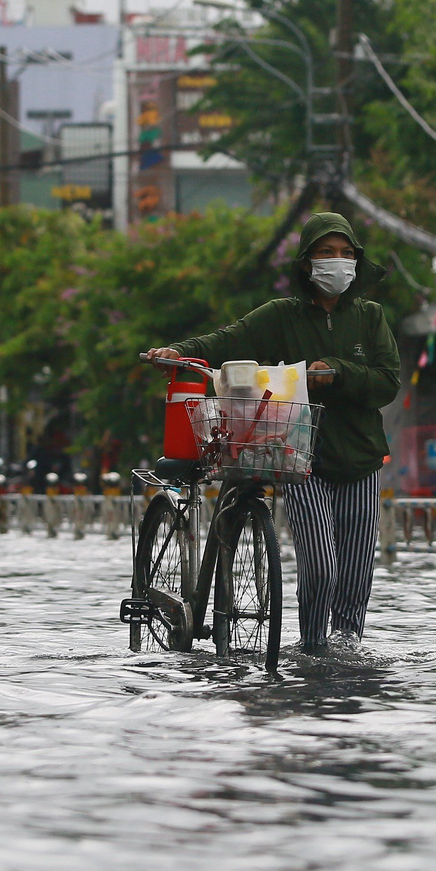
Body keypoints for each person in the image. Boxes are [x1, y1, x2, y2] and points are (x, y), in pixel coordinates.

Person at [147, 213, 401, 653]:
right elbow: (226, 340)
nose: (338, 263)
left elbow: (387, 381)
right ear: (307, 263)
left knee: (357, 575)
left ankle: (345, 651)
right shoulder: (281, 316)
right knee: (321, 567)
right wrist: (180, 353)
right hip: (299, 458)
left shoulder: (370, 317)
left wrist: (338, 372)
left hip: (361, 459)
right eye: (326, 253)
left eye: (346, 254)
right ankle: (314, 647)